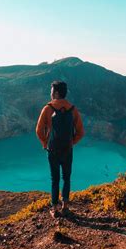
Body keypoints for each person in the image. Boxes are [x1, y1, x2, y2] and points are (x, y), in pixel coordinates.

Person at [36, 80, 84, 218]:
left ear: (56, 93)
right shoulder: (72, 109)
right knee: (66, 178)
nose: (50, 93)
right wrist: (71, 142)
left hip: (53, 150)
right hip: (67, 150)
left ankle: (55, 209)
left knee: (55, 179)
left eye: (51, 91)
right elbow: (81, 132)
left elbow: (39, 130)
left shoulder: (47, 108)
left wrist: (45, 144)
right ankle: (66, 207)